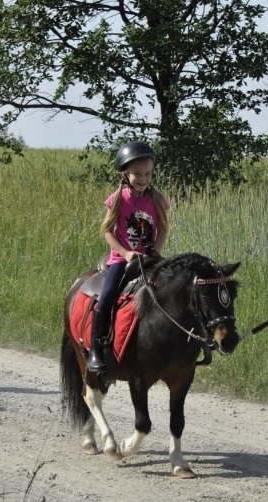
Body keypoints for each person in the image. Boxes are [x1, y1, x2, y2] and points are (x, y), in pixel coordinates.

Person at [87, 140, 170, 374]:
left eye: (148, 173)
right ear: (125, 174)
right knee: (107, 298)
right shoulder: (118, 199)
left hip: (149, 258)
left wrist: (154, 251)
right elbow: (106, 231)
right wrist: (125, 253)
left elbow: (163, 229)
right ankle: (95, 350)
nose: (143, 178)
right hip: (122, 260)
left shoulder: (157, 199)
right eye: (137, 174)